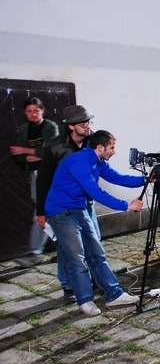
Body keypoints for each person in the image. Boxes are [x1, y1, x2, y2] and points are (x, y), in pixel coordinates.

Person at [45, 130, 145, 316]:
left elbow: (118, 178)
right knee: (77, 257)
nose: (114, 151)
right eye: (112, 148)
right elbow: (95, 192)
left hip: (79, 209)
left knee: (97, 253)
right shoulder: (79, 162)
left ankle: (114, 294)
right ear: (100, 148)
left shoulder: (98, 162)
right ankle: (85, 300)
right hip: (61, 213)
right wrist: (126, 205)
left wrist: (146, 179)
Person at [35, 105, 96, 302]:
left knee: (93, 242)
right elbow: (43, 181)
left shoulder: (92, 143)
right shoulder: (54, 147)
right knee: (67, 247)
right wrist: (41, 212)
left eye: (88, 122)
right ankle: (68, 285)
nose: (87, 126)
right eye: (83, 123)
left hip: (86, 202)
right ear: (71, 126)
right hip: (62, 206)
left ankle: (94, 280)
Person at [11, 97, 59, 268]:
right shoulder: (24, 129)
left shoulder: (50, 127)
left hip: (52, 174)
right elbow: (17, 156)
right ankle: (62, 247)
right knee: (46, 211)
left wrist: (26, 150)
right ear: (25, 113)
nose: (33, 114)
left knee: (42, 211)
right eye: (29, 111)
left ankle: (35, 252)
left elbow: (51, 152)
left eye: (36, 110)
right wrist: (34, 154)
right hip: (35, 174)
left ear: (42, 111)